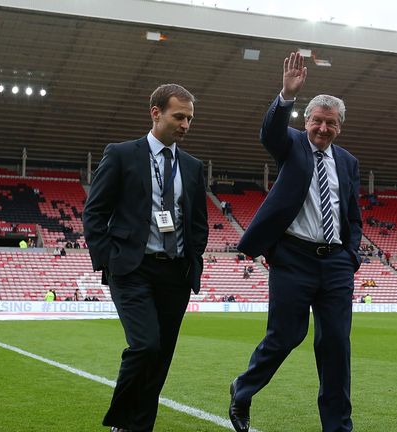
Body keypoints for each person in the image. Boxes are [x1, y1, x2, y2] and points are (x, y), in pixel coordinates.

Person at [229, 52, 362, 432]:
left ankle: (337, 427)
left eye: (330, 123)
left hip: (336, 261)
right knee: (285, 335)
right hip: (293, 257)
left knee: (335, 344)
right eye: (317, 120)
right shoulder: (292, 145)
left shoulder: (348, 162)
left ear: (339, 128)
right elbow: (269, 133)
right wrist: (286, 94)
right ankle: (243, 389)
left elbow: (352, 213)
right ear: (305, 122)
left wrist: (351, 254)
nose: (323, 127)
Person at [83, 83, 208, 432]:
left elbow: (199, 222)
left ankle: (139, 427)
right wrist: (108, 260)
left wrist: (193, 258)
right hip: (133, 268)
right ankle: (122, 422)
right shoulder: (121, 154)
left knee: (161, 357)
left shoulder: (192, 166)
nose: (185, 125)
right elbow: (94, 212)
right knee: (145, 345)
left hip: (176, 273)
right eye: (179, 116)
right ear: (156, 113)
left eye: (189, 119)